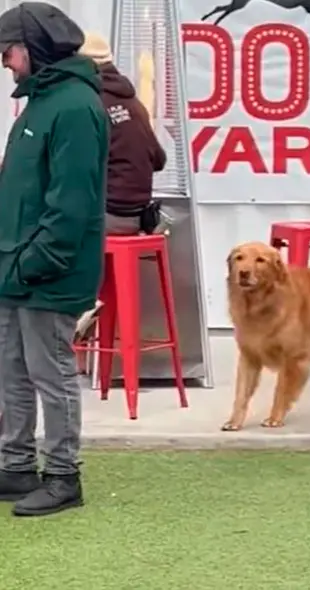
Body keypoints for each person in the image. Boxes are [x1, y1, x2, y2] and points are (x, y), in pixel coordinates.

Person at [0, 2, 109, 517]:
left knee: (52, 373)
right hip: (17, 267)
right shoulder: (42, 102)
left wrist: (33, 261)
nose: (5, 61)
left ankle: (64, 476)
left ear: (36, 48)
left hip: (48, 271)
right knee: (13, 370)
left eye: (9, 50)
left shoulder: (74, 107)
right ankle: (17, 465)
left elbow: (72, 203)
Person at [73, 31, 169, 342]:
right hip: (138, 217)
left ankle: (74, 307)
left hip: (108, 218)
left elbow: (72, 166)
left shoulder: (89, 104)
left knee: (35, 227)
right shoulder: (134, 104)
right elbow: (159, 158)